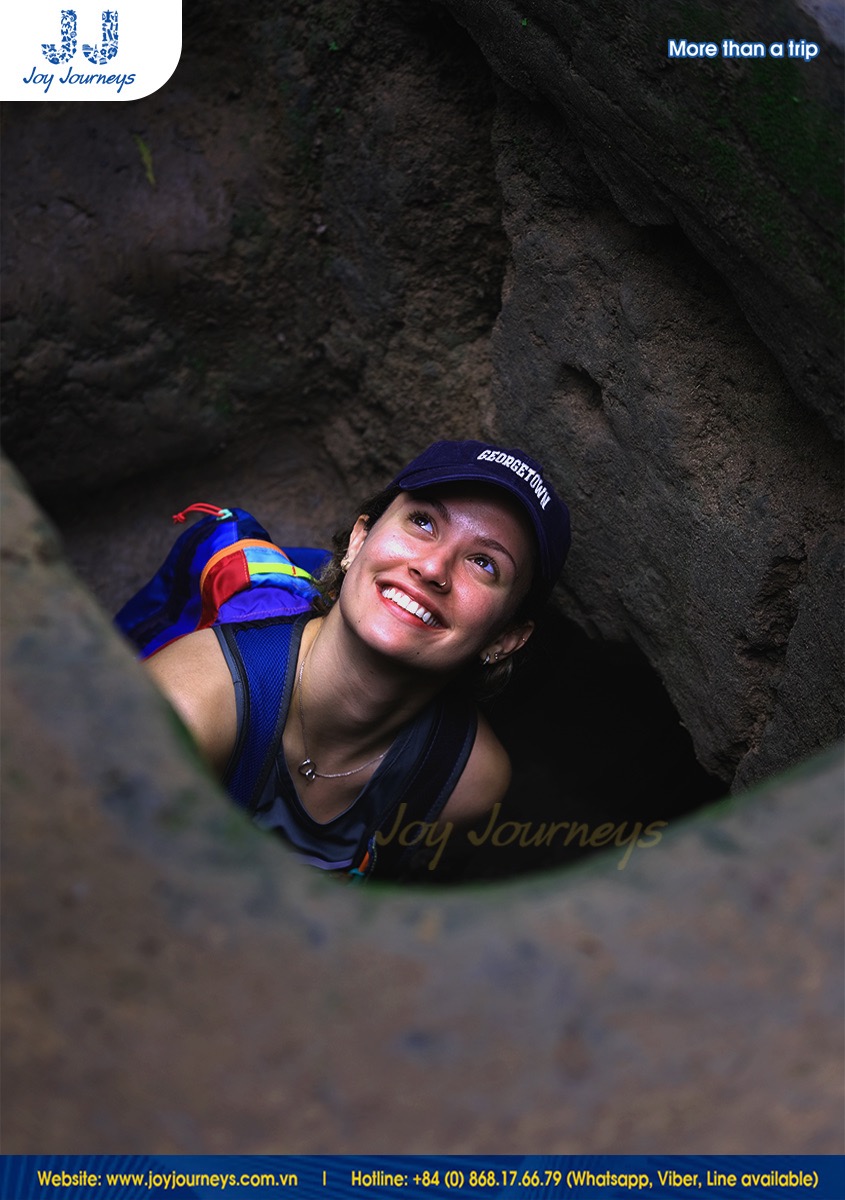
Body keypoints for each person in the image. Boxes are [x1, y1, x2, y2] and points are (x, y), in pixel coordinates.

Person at [146, 440, 571, 880]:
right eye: (423, 521)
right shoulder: (188, 709)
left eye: (484, 563)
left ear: (505, 638)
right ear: (359, 539)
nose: (432, 569)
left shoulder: (466, 784)